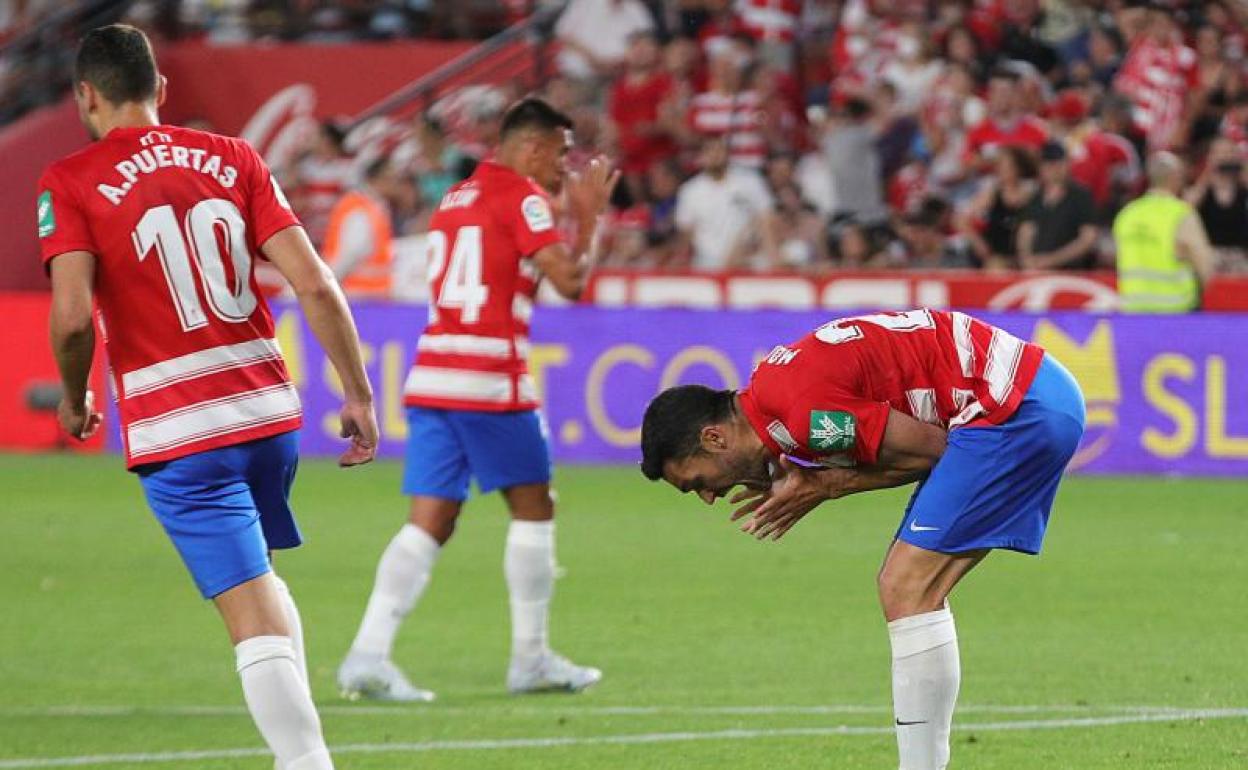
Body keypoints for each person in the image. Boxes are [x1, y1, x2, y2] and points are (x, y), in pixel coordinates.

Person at [39, 25, 378, 770]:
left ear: (85, 96)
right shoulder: (236, 157)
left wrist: (74, 396)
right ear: (160, 90)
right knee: (259, 578)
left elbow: (70, 315)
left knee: (248, 612)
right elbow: (314, 281)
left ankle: (307, 764)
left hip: (182, 429)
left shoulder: (70, 180)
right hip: (266, 411)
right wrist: (357, 393)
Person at [639, 308, 1086, 770]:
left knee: (906, 587)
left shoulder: (801, 417)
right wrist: (820, 481)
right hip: (1028, 394)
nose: (710, 497)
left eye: (697, 483)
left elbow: (936, 449)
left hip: (1013, 408)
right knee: (911, 589)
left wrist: (826, 485)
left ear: (714, 438)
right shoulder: (775, 398)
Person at [337, 98, 619, 700]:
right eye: (563, 152)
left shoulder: (457, 196)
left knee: (430, 521)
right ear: (535, 148)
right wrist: (589, 222)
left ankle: (367, 653)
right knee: (535, 508)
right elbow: (570, 283)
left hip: (434, 376)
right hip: (491, 380)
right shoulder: (523, 197)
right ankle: (531, 658)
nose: (567, 167)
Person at [1114, 152, 1217, 312]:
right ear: (1175, 178)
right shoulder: (1180, 214)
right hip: (1175, 309)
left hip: (1133, 309)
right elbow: (1203, 263)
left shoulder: (1127, 214)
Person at [673, 136, 778, 270]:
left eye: (720, 150)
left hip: (748, 256)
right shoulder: (690, 190)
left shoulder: (750, 181)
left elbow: (767, 217)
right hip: (708, 260)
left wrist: (771, 253)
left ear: (728, 154)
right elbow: (686, 232)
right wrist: (680, 259)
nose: (716, 155)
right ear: (701, 157)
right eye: (710, 151)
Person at [320, 155, 406, 299]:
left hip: (367, 294)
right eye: (392, 178)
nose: (396, 184)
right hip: (358, 295)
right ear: (378, 179)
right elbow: (352, 253)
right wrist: (327, 286)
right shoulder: (361, 208)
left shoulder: (372, 205)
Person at [1016, 141, 1099, 270]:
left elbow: (1088, 237)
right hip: (1036, 269)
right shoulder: (1035, 197)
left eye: (1057, 163)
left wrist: (1052, 259)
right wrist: (1026, 259)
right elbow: (1026, 231)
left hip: (1071, 270)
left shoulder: (1080, 196)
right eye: (1048, 164)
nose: (1053, 168)